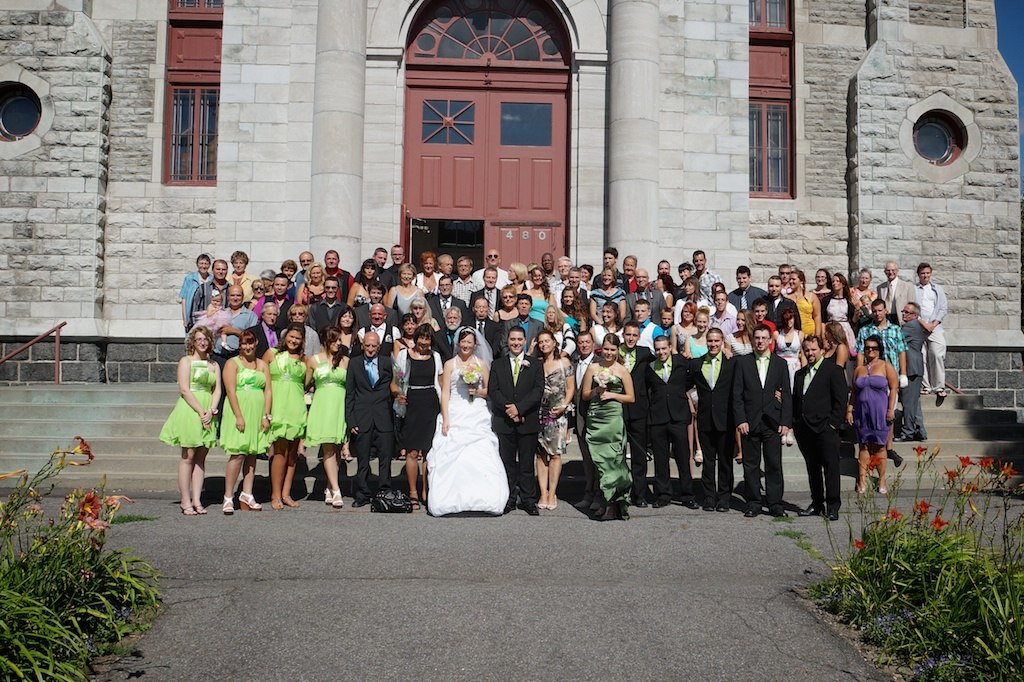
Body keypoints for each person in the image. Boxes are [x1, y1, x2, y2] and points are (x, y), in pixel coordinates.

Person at [427, 327, 510, 516]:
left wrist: (477, 391)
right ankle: (450, 498)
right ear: (458, 344)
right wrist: (446, 418)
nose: (466, 345)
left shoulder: (481, 363)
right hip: (455, 410)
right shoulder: (449, 364)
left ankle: (485, 497)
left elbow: (490, 390)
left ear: (475, 344)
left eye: (469, 342)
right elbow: (446, 391)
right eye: (463, 342)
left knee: (480, 453)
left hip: (476, 411)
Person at [159, 326, 221, 516]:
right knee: (188, 456)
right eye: (199, 339)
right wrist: (201, 411)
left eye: (206, 339)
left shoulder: (214, 365)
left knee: (201, 457)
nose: (203, 342)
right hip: (191, 409)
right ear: (192, 342)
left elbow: (217, 389)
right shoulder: (186, 361)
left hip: (208, 410)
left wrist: (211, 410)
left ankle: (197, 499)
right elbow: (184, 389)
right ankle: (185, 500)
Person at [733, 324, 793, 518]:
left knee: (774, 464)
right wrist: (740, 419)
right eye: (756, 338)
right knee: (750, 464)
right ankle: (754, 502)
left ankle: (775, 503)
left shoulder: (780, 364)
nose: (760, 341)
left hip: (772, 421)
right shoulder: (743, 363)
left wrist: (785, 422)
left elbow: (787, 395)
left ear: (770, 341)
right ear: (753, 340)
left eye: (763, 338)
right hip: (749, 422)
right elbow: (737, 395)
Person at [489, 327, 544, 515]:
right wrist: (510, 409)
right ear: (508, 341)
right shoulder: (498, 364)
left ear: (525, 341)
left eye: (519, 339)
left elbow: (538, 391)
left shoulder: (535, 364)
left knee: (527, 463)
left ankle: (528, 500)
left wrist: (520, 409)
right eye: (513, 339)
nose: (516, 343)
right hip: (505, 420)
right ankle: (509, 498)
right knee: (508, 463)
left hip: (527, 420)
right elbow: (493, 391)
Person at [581, 334, 636, 521]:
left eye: (613, 350)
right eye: (606, 349)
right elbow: (585, 395)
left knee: (612, 462)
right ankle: (604, 501)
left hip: (613, 419)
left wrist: (612, 395)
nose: (609, 353)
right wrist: (597, 390)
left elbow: (631, 397)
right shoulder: (593, 368)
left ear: (617, 350)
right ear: (601, 349)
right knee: (599, 463)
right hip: (596, 418)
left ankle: (613, 504)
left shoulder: (622, 370)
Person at [794, 335, 848, 521]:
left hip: (826, 428)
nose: (810, 353)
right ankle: (817, 503)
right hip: (805, 429)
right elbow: (797, 401)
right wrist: (796, 424)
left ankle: (833, 506)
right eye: (807, 350)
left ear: (821, 350)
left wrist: (832, 424)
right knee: (813, 468)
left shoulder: (833, 370)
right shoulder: (799, 375)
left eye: (813, 349)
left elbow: (840, 401)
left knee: (831, 468)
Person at [219, 330, 272, 514]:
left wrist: (266, 415)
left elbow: (268, 391)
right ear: (239, 345)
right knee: (238, 453)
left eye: (250, 343)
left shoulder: (263, 364)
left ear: (256, 343)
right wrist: (239, 416)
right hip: (239, 409)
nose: (248, 347)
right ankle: (228, 496)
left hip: (257, 411)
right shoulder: (232, 363)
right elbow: (231, 391)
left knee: (252, 452)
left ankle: (247, 493)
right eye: (244, 343)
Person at [393, 324, 443, 510]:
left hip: (430, 403)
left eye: (427, 339)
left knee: (429, 452)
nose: (423, 342)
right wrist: (398, 394)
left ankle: (427, 491)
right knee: (413, 451)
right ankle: (413, 492)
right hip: (411, 403)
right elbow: (395, 383)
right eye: (421, 338)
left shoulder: (436, 357)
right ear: (416, 338)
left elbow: (440, 383)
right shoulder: (404, 355)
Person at [646, 335, 698, 509]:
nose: (661, 352)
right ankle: (663, 494)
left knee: (683, 457)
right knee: (660, 459)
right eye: (658, 349)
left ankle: (687, 494)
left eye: (664, 348)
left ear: (670, 347)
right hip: (658, 417)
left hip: (678, 416)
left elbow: (691, 379)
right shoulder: (650, 367)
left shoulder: (682, 362)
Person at [263, 324, 310, 509]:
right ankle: (275, 494)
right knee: (280, 451)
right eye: (291, 337)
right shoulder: (272, 353)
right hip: (278, 405)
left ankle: (286, 493)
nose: (294, 341)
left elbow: (306, 383)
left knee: (292, 453)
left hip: (296, 406)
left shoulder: (304, 359)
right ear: (285, 336)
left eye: (298, 338)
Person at [346, 331, 396, 506]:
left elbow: (394, 386)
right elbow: (350, 394)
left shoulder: (387, 362)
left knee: (385, 459)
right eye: (367, 345)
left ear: (379, 347)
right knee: (363, 460)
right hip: (362, 417)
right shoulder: (354, 364)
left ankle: (384, 492)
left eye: (374, 346)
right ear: (362, 345)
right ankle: (362, 494)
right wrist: (350, 420)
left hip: (383, 417)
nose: (370, 349)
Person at [305, 327, 351, 509]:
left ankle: (329, 487)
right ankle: (337, 490)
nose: (339, 343)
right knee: (328, 448)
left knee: (337, 446)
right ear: (326, 340)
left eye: (340, 340)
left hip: (340, 404)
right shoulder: (313, 360)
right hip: (323, 405)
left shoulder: (345, 361)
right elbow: (306, 383)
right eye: (335, 339)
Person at [691, 328, 735, 512]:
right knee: (708, 462)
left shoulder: (732, 362)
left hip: (726, 419)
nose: (713, 344)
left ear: (722, 341)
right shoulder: (697, 363)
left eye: (717, 341)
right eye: (710, 341)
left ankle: (724, 498)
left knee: (725, 461)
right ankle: (709, 497)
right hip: (705, 419)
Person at [849, 335, 898, 495]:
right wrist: (849, 409)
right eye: (868, 347)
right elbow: (854, 392)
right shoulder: (859, 370)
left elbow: (894, 388)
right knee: (863, 445)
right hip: (862, 412)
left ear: (879, 350)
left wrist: (891, 409)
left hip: (880, 411)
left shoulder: (886, 366)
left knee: (879, 446)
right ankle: (862, 480)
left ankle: (881, 479)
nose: (870, 350)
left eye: (874, 348)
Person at [534, 330, 575, 510]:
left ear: (554, 342)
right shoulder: (537, 364)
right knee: (541, 454)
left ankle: (552, 493)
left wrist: (564, 405)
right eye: (541, 342)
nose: (544, 345)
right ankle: (543, 492)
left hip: (558, 412)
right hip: (540, 413)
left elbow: (571, 387)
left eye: (547, 341)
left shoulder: (564, 362)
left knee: (555, 454)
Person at [620, 321, 652, 506]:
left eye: (634, 335)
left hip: (639, 411)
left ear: (639, 337)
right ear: (623, 336)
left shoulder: (645, 354)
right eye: (628, 335)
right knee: (619, 455)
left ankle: (639, 495)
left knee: (639, 456)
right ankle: (621, 493)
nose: (631, 338)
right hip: (619, 410)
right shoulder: (615, 354)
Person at [572, 331, 599, 513]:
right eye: (580, 342)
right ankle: (588, 494)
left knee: (597, 459)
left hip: (597, 417)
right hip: (580, 417)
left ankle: (598, 495)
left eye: (587, 342)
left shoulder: (599, 364)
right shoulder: (573, 364)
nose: (584, 345)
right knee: (587, 460)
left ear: (593, 344)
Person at [914, 262, 948, 396]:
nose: (925, 275)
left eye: (927, 273)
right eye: (922, 273)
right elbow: (912, 309)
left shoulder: (937, 289)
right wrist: (923, 323)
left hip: (935, 327)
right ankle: (925, 386)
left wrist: (933, 324)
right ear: (918, 275)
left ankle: (939, 386)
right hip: (919, 327)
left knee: (936, 354)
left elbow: (943, 308)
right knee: (921, 356)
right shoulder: (914, 289)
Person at [897, 303, 928, 442]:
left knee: (908, 402)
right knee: (914, 403)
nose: (904, 314)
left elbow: (895, 339)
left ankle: (908, 432)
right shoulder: (915, 325)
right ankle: (920, 431)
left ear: (915, 315)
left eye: (907, 312)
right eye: (903, 311)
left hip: (911, 368)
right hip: (915, 367)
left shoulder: (910, 326)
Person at [824, 272, 857, 353]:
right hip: (831, 328)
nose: (835, 283)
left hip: (845, 329)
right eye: (833, 281)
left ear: (843, 284)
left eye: (837, 281)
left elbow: (853, 320)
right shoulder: (826, 300)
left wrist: (857, 310)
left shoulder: (848, 301)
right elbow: (823, 319)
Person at [774, 306, 804, 395]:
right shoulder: (777, 334)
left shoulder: (800, 334)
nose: (789, 322)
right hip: (780, 366)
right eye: (786, 319)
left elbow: (802, 354)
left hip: (795, 366)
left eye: (791, 319)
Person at [179, 253, 212, 332]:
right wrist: (185, 319)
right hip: (193, 315)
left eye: (206, 264)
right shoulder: (190, 279)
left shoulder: (212, 279)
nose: (203, 266)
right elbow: (184, 299)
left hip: (208, 316)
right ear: (197, 264)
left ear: (209, 265)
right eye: (201, 263)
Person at [876, 261, 917, 325]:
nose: (890, 272)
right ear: (885, 272)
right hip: (885, 319)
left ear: (897, 271)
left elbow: (913, 307)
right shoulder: (880, 288)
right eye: (888, 270)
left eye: (893, 270)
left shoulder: (907, 286)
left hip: (900, 319)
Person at [788, 269, 822, 337]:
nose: (791, 281)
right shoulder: (786, 297)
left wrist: (817, 334)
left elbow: (817, 316)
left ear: (801, 281)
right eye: (790, 279)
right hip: (792, 333)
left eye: (793, 279)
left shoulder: (811, 296)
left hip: (809, 333)